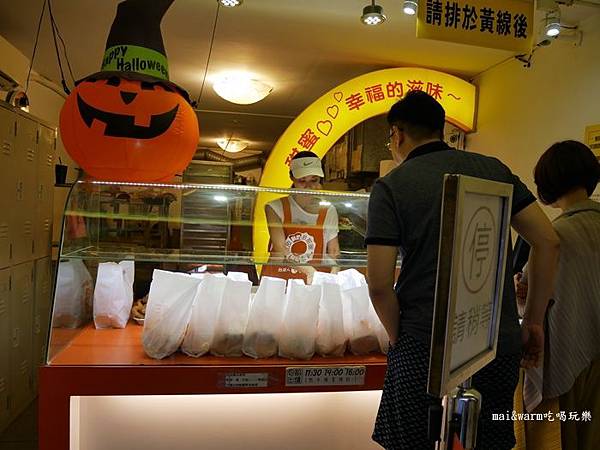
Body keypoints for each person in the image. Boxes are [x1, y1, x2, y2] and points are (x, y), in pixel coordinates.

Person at [365, 91, 560, 450]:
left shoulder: (392, 185)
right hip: (495, 344)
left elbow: (378, 284)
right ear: (439, 129)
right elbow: (548, 241)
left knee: (412, 442)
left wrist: (398, 337)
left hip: (423, 345)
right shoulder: (494, 170)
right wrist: (531, 322)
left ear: (398, 134)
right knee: (488, 441)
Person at [516, 140, 600, 450]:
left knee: (560, 435)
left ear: (547, 183)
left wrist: (521, 290)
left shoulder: (552, 236)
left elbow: (528, 299)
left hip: (565, 354)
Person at [263, 151, 340, 282]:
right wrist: (309, 271)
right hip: (279, 279)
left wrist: (334, 274)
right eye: (302, 181)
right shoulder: (275, 207)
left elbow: (333, 250)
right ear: (292, 178)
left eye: (314, 180)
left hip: (313, 280)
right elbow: (280, 249)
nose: (308, 187)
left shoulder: (328, 210)